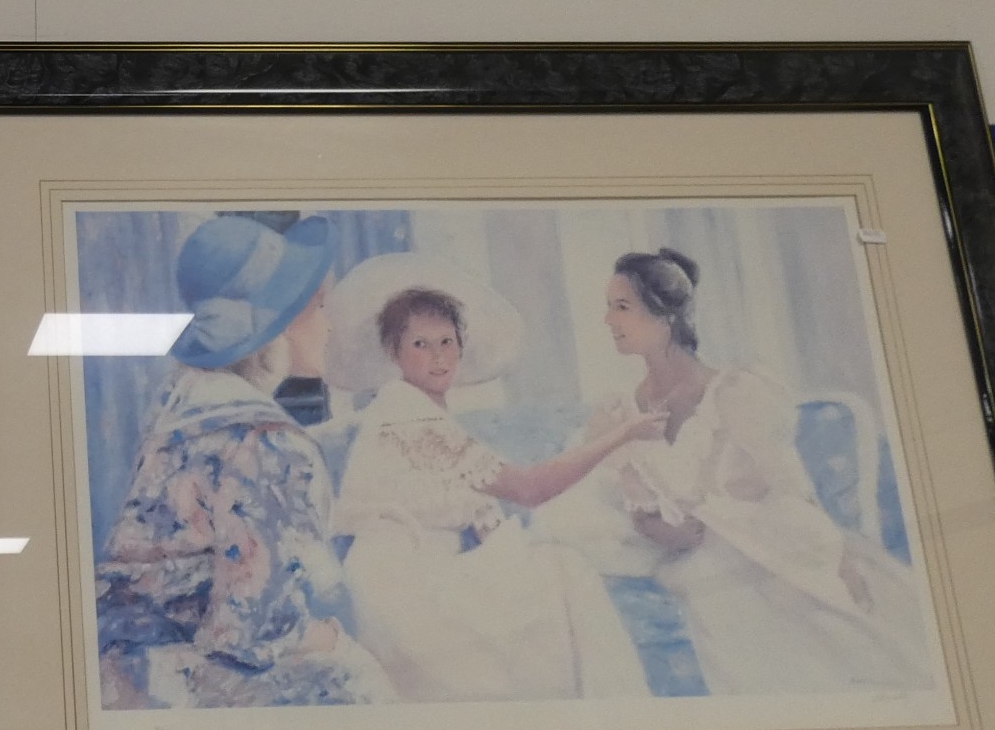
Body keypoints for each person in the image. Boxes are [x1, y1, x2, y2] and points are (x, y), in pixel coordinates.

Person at [591, 248, 935, 696]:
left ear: (666, 315)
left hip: (772, 535)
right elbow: (638, 503)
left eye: (622, 307)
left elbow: (791, 487)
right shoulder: (620, 410)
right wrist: (661, 530)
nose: (608, 320)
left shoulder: (735, 391)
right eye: (609, 307)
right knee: (709, 579)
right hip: (695, 553)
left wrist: (841, 562)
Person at [96, 214, 393, 710]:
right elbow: (255, 632)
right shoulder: (268, 443)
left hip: (117, 665)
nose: (330, 325)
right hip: (184, 679)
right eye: (321, 307)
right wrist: (337, 639)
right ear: (282, 321)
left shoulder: (183, 405)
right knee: (365, 682)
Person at [328, 258, 659, 702]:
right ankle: (614, 714)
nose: (438, 356)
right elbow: (529, 489)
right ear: (395, 352)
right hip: (400, 590)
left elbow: (484, 517)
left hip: (425, 573)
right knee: (566, 573)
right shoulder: (404, 412)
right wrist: (623, 434)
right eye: (421, 344)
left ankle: (606, 714)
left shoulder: (426, 414)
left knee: (557, 568)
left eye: (447, 342)